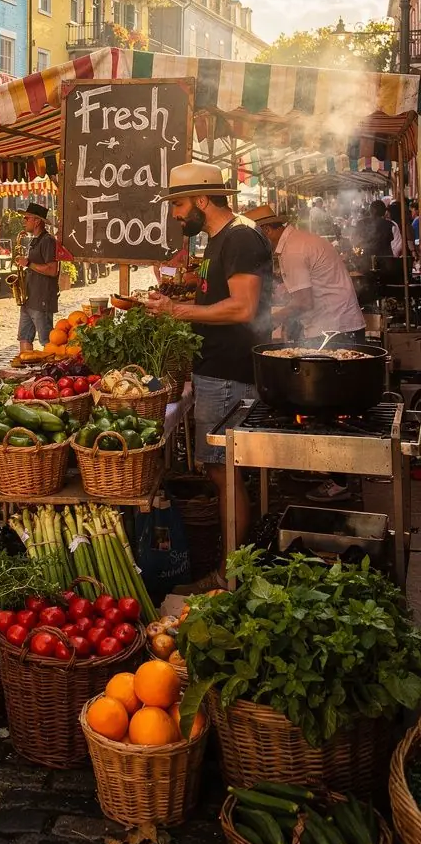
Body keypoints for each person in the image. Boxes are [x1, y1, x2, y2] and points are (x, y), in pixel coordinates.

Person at [144, 162, 273, 557]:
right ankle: (233, 559)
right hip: (216, 369)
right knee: (221, 470)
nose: (175, 214)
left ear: (202, 199)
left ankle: (232, 566)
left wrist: (175, 311)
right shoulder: (219, 238)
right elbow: (216, 298)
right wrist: (181, 301)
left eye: (179, 204)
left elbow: (242, 308)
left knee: (223, 471)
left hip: (228, 372)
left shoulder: (239, 238)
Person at [249, 204, 366, 504]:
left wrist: (271, 320)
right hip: (336, 325)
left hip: (334, 330)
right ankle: (331, 472)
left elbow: (303, 302)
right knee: (330, 406)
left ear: (268, 230)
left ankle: (341, 481)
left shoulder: (293, 251)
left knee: (333, 408)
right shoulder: (298, 242)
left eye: (257, 234)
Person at [16, 203, 59, 353]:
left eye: (27, 218)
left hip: (42, 299)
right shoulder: (35, 240)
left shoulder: (48, 240)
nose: (24, 221)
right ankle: (25, 369)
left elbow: (53, 270)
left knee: (46, 340)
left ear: (37, 221)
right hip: (29, 298)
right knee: (24, 337)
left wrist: (28, 263)